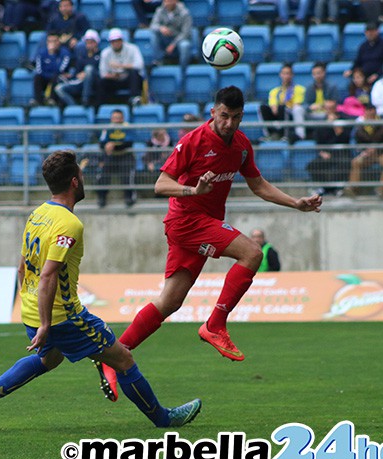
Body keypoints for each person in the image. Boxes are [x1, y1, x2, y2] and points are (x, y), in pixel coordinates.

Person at [95, 86, 322, 404]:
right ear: (213, 112)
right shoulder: (193, 141)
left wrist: (295, 203)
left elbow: (258, 185)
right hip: (188, 221)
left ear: (242, 117)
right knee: (251, 253)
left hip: (201, 224)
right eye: (223, 116)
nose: (228, 123)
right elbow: (161, 184)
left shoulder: (241, 145)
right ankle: (215, 325)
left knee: (169, 302)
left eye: (235, 118)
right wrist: (193, 191)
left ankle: (114, 356)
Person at [0, 150, 202, 430]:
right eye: (82, 174)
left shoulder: (38, 213)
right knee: (123, 359)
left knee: (49, 359)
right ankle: (164, 419)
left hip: (31, 308)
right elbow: (49, 274)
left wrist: (33, 311)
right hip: (63, 317)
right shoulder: (69, 224)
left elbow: (22, 265)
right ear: (75, 181)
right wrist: (46, 324)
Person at [346, 103, 383, 199]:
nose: (370, 116)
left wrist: (376, 149)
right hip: (367, 155)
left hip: (382, 153)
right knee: (356, 162)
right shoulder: (359, 128)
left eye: (372, 114)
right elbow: (358, 143)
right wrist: (365, 150)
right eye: (368, 113)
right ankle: (353, 189)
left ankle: (382, 190)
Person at [308, 99, 352, 196]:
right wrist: (322, 152)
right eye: (327, 108)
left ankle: (337, 188)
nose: (329, 110)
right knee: (312, 165)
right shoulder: (321, 123)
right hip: (326, 152)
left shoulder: (343, 120)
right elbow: (318, 141)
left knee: (343, 163)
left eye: (331, 108)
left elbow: (346, 139)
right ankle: (325, 188)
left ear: (335, 108)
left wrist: (336, 126)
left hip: (341, 151)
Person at [96, 109, 136, 208]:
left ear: (122, 118)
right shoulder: (107, 128)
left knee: (127, 175)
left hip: (125, 155)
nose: (117, 120)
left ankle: (129, 197)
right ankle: (102, 197)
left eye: (119, 118)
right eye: (115, 118)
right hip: (111, 155)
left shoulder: (127, 127)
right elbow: (101, 143)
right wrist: (106, 146)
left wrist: (114, 145)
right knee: (103, 174)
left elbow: (129, 143)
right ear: (111, 119)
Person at [259, 62, 306, 141]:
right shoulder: (274, 91)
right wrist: (275, 108)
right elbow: (273, 106)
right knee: (262, 108)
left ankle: (284, 135)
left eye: (288, 74)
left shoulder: (299, 89)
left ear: (292, 75)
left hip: (290, 115)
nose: (286, 76)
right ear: (280, 75)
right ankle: (269, 134)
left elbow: (296, 105)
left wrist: (284, 105)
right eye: (284, 73)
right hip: (278, 113)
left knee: (283, 108)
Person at [97, 28, 145, 106]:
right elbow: (103, 73)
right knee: (102, 82)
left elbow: (139, 65)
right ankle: (101, 105)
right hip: (114, 79)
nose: (116, 43)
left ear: (122, 40)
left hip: (128, 78)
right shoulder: (105, 53)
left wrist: (120, 66)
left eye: (118, 40)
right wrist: (114, 76)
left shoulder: (133, 48)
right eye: (113, 41)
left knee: (134, 73)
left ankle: (134, 99)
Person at [54, 28, 100, 106]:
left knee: (89, 69)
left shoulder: (101, 54)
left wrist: (87, 73)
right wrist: (73, 75)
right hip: (80, 82)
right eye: (87, 42)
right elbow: (77, 72)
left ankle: (85, 99)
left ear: (96, 43)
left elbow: (101, 71)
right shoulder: (82, 56)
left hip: (95, 82)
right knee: (59, 88)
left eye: (91, 42)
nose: (89, 45)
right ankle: (74, 106)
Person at [149, 0, 193, 70]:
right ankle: (158, 61)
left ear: (175, 1)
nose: (167, 3)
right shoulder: (160, 10)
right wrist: (161, 28)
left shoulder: (184, 12)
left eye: (169, 1)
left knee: (185, 45)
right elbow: (153, 25)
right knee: (154, 35)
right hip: (165, 39)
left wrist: (173, 44)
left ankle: (183, 69)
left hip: (179, 40)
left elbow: (186, 33)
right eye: (165, 1)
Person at [31, 31, 70, 106]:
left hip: (58, 78)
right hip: (45, 77)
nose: (52, 43)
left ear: (59, 41)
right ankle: (38, 100)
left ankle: (52, 100)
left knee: (56, 77)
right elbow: (39, 70)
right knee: (37, 77)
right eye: (49, 41)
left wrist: (52, 55)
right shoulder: (41, 53)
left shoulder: (65, 53)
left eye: (54, 41)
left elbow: (60, 70)